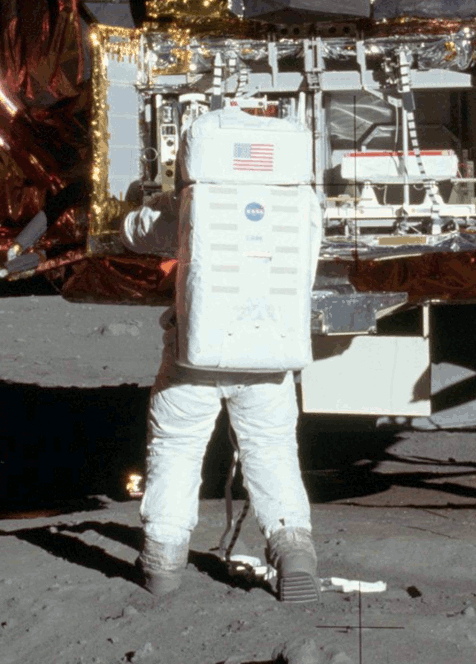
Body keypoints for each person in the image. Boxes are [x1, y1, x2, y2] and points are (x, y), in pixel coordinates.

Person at [121, 111, 322, 603]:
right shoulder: (305, 205)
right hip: (269, 355)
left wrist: (134, 206)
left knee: (177, 449)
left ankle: (163, 562)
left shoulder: (188, 203)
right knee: (272, 450)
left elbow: (134, 232)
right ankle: (294, 551)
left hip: (194, 358)